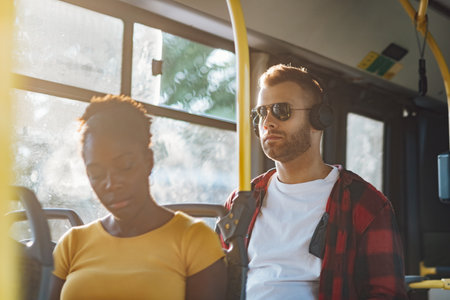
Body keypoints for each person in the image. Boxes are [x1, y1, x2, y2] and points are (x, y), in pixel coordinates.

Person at [223, 64, 408, 299]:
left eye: (281, 110)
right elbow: (221, 278)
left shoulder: (365, 205)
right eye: (260, 113)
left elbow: (386, 294)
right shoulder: (242, 200)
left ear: (318, 118)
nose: (267, 122)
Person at [49, 94, 227, 300]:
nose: (111, 184)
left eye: (125, 166)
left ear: (149, 161)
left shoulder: (194, 239)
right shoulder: (72, 243)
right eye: (96, 174)